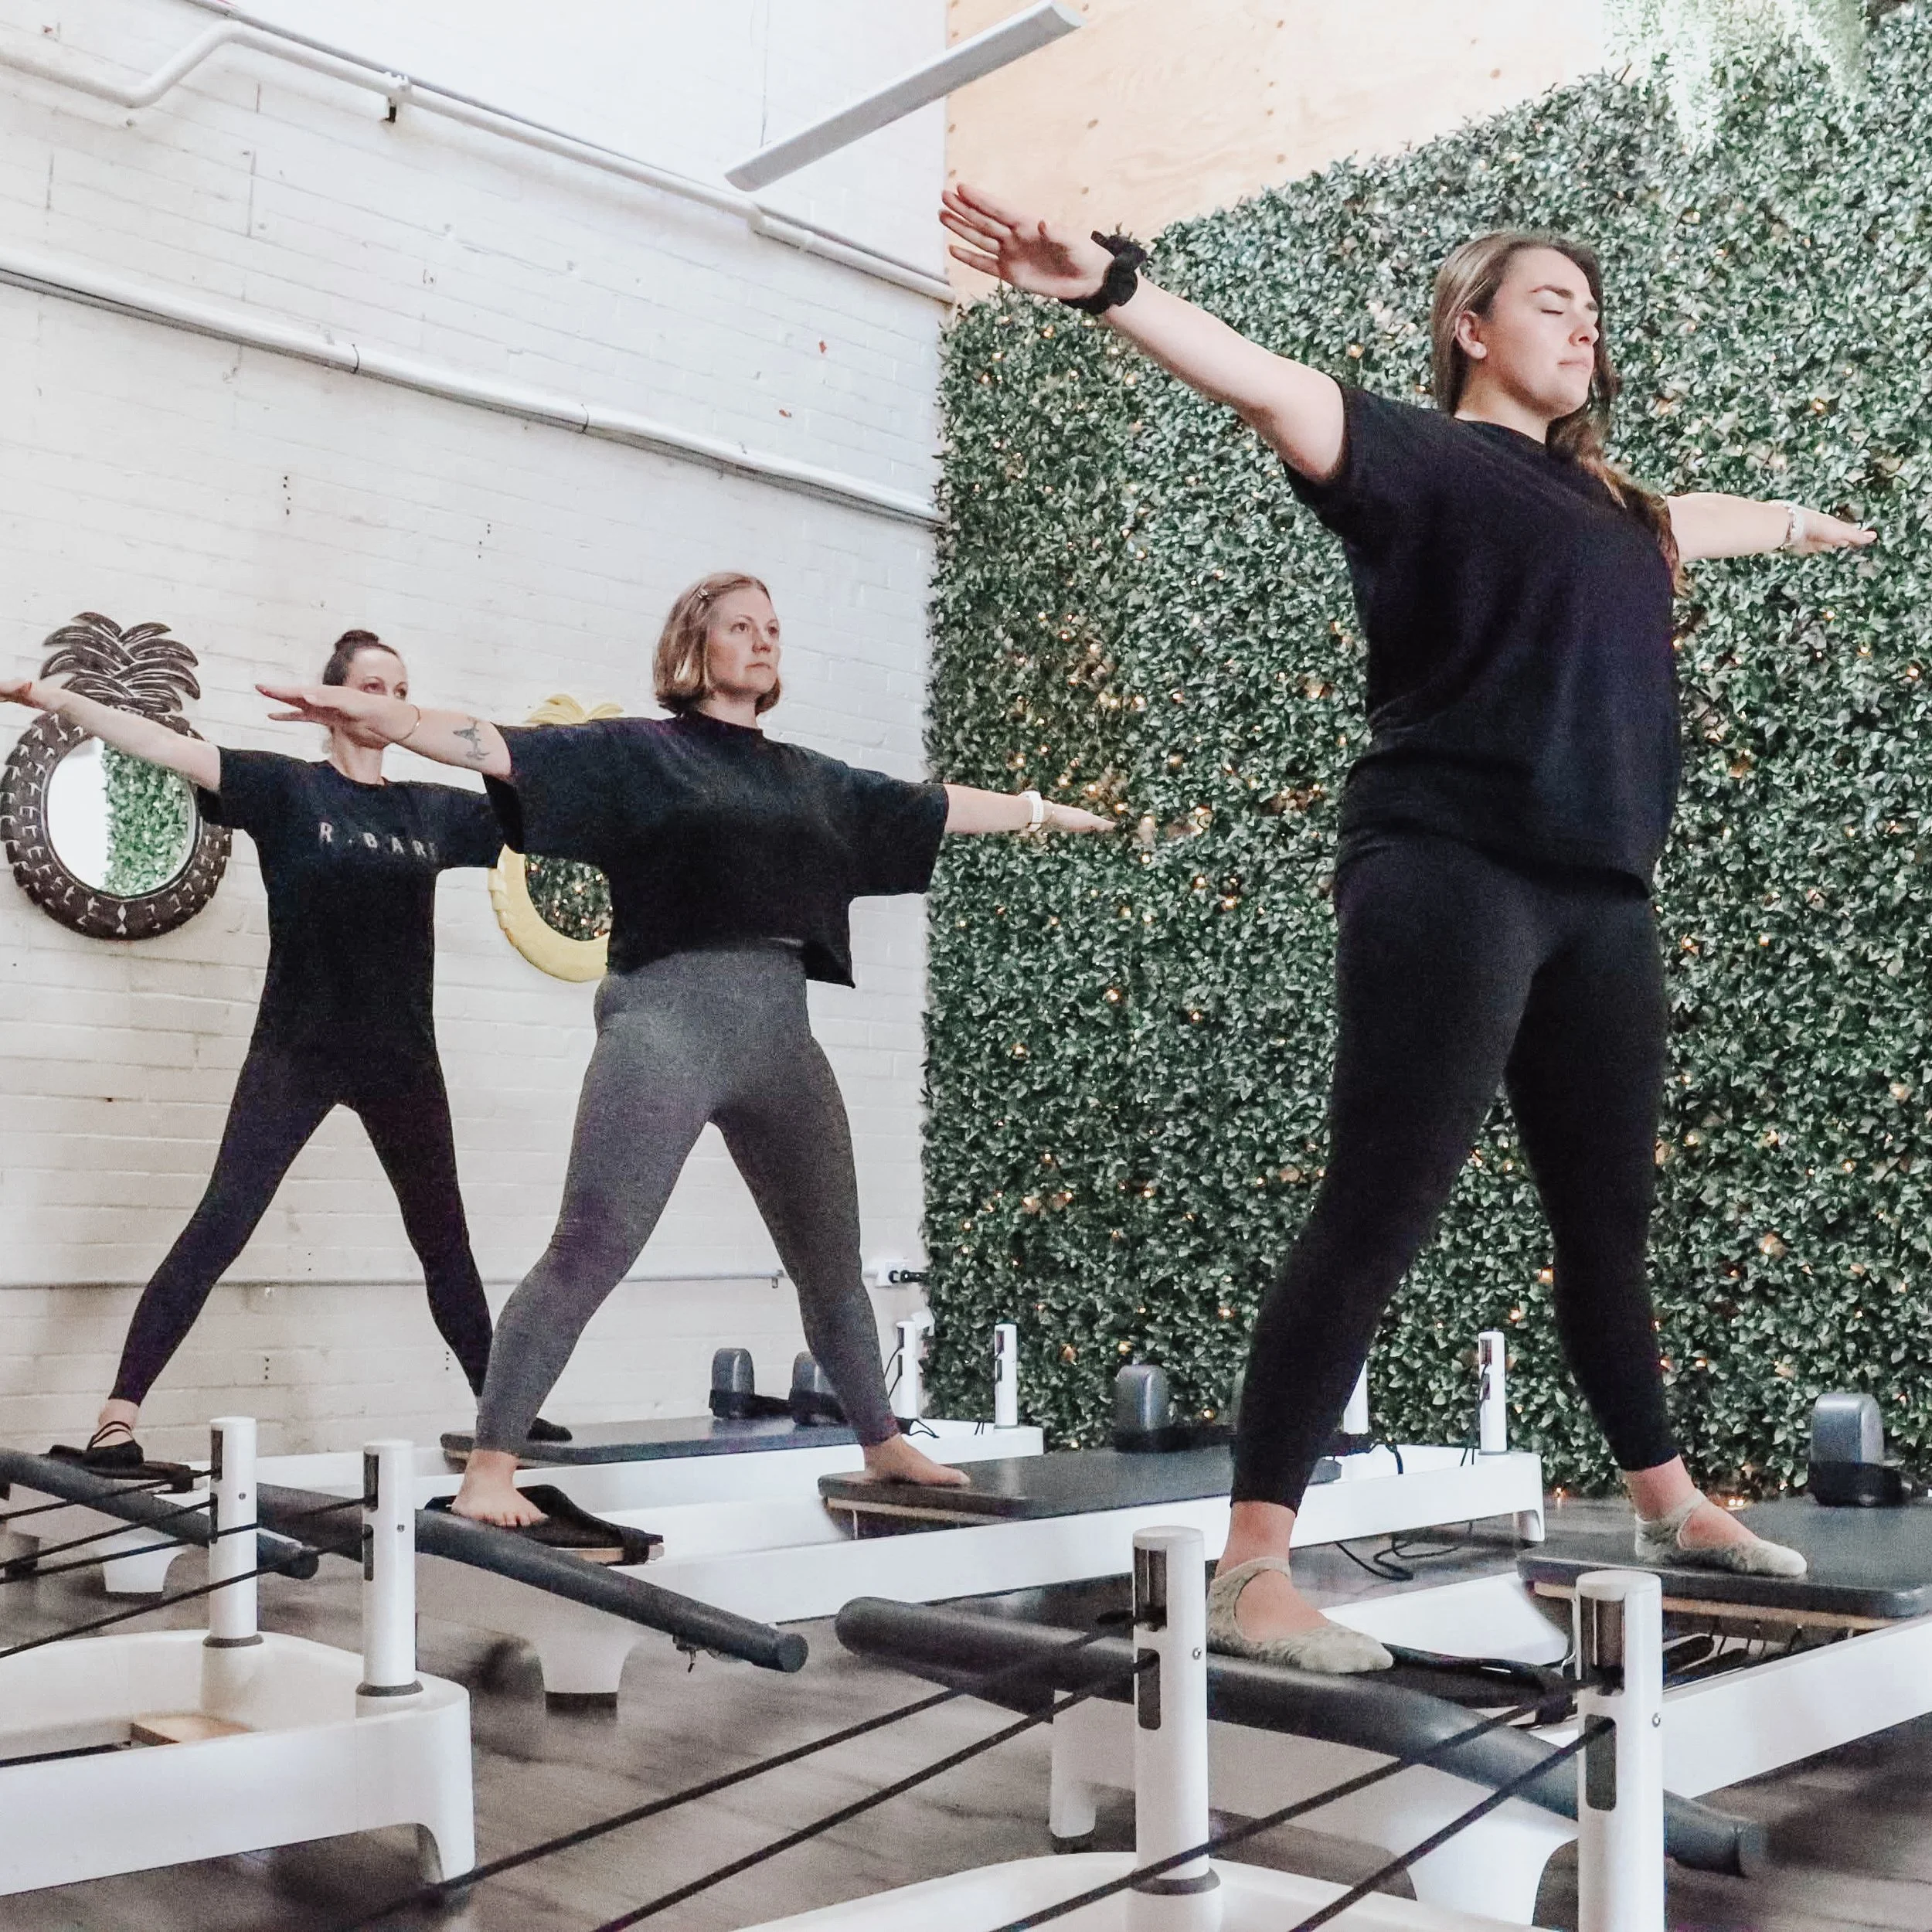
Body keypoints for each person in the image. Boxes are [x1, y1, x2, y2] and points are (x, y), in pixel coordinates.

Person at [942, 185, 1876, 1670]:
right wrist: (1110, 284)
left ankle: (1671, 1500)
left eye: (1594, 310)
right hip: (1450, 868)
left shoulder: (1621, 509)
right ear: (1472, 326)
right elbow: (1260, 379)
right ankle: (1255, 1565)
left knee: (1606, 1227)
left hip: (1600, 894)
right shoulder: (1420, 457)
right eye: (1553, 300)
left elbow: (1694, 522)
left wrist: (1803, 523)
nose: (1585, 323)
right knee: (1380, 1205)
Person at [260, 573, 1113, 1525]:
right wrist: (384, 716)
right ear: (693, 647)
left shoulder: (808, 777)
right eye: (740, 626)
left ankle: (882, 1440)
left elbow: (921, 805)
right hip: (664, 1022)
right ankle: (492, 1465)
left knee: (830, 1257)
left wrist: (1041, 811)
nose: (762, 641)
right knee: (591, 1247)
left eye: (773, 628)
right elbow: (498, 747)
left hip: (781, 1034)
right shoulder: (640, 753)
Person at [1, 631, 566, 1468]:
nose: (386, 698)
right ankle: (116, 1418)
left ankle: (502, 1419)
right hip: (296, 1048)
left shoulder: (432, 813)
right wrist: (55, 699)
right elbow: (161, 743)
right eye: (371, 684)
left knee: (443, 1240)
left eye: (401, 689)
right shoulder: (288, 789)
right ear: (332, 696)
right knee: (220, 1222)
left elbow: (534, 804)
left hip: (401, 1058)